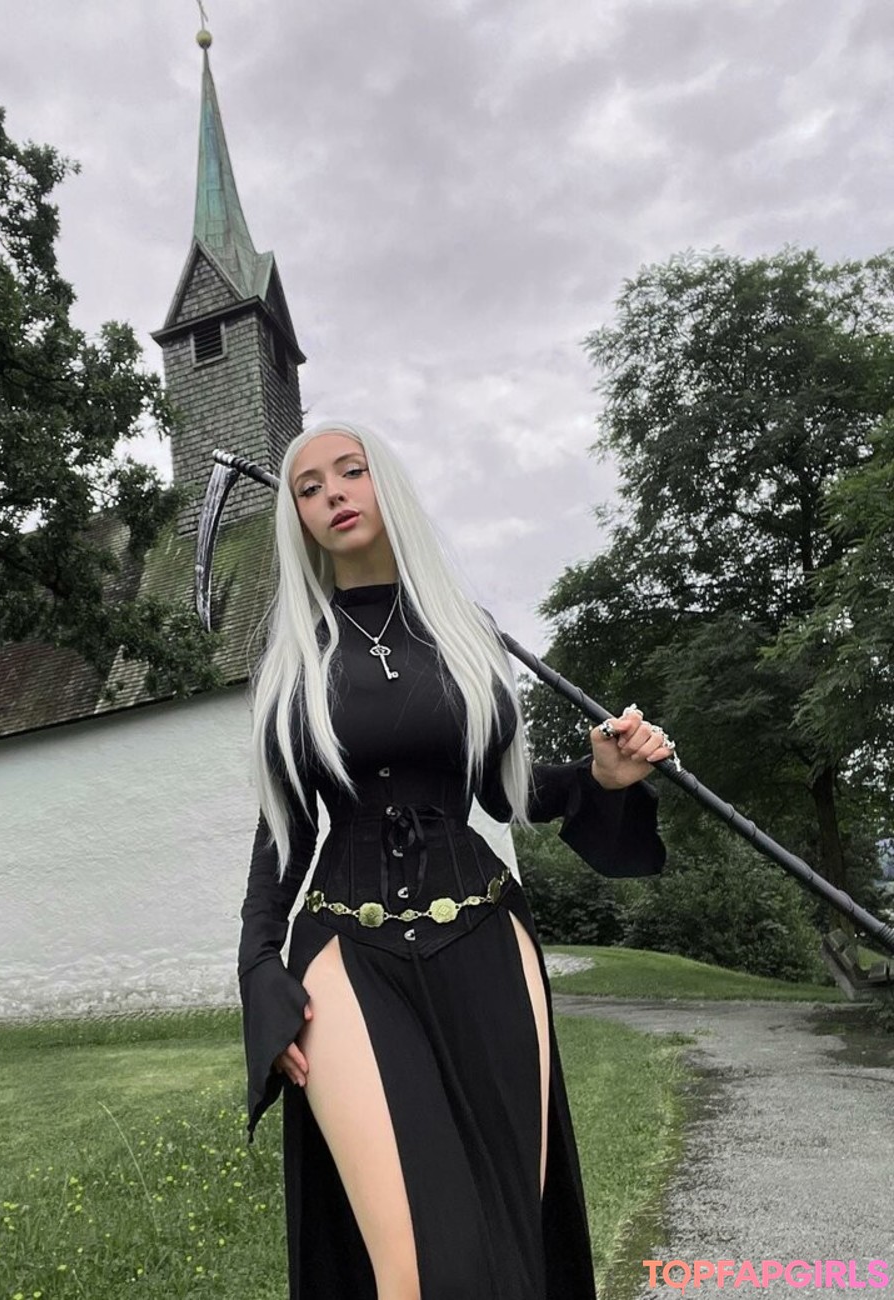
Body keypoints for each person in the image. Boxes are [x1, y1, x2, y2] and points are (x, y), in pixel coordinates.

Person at [237, 420, 670, 1300]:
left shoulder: (466, 633)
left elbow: (507, 793)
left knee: (512, 1238)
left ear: (385, 484)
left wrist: (601, 776)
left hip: (483, 936)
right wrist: (258, 969)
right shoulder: (293, 661)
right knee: (421, 1267)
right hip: (348, 950)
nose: (332, 494)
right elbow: (283, 829)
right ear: (299, 519)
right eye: (309, 488)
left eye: (350, 471)